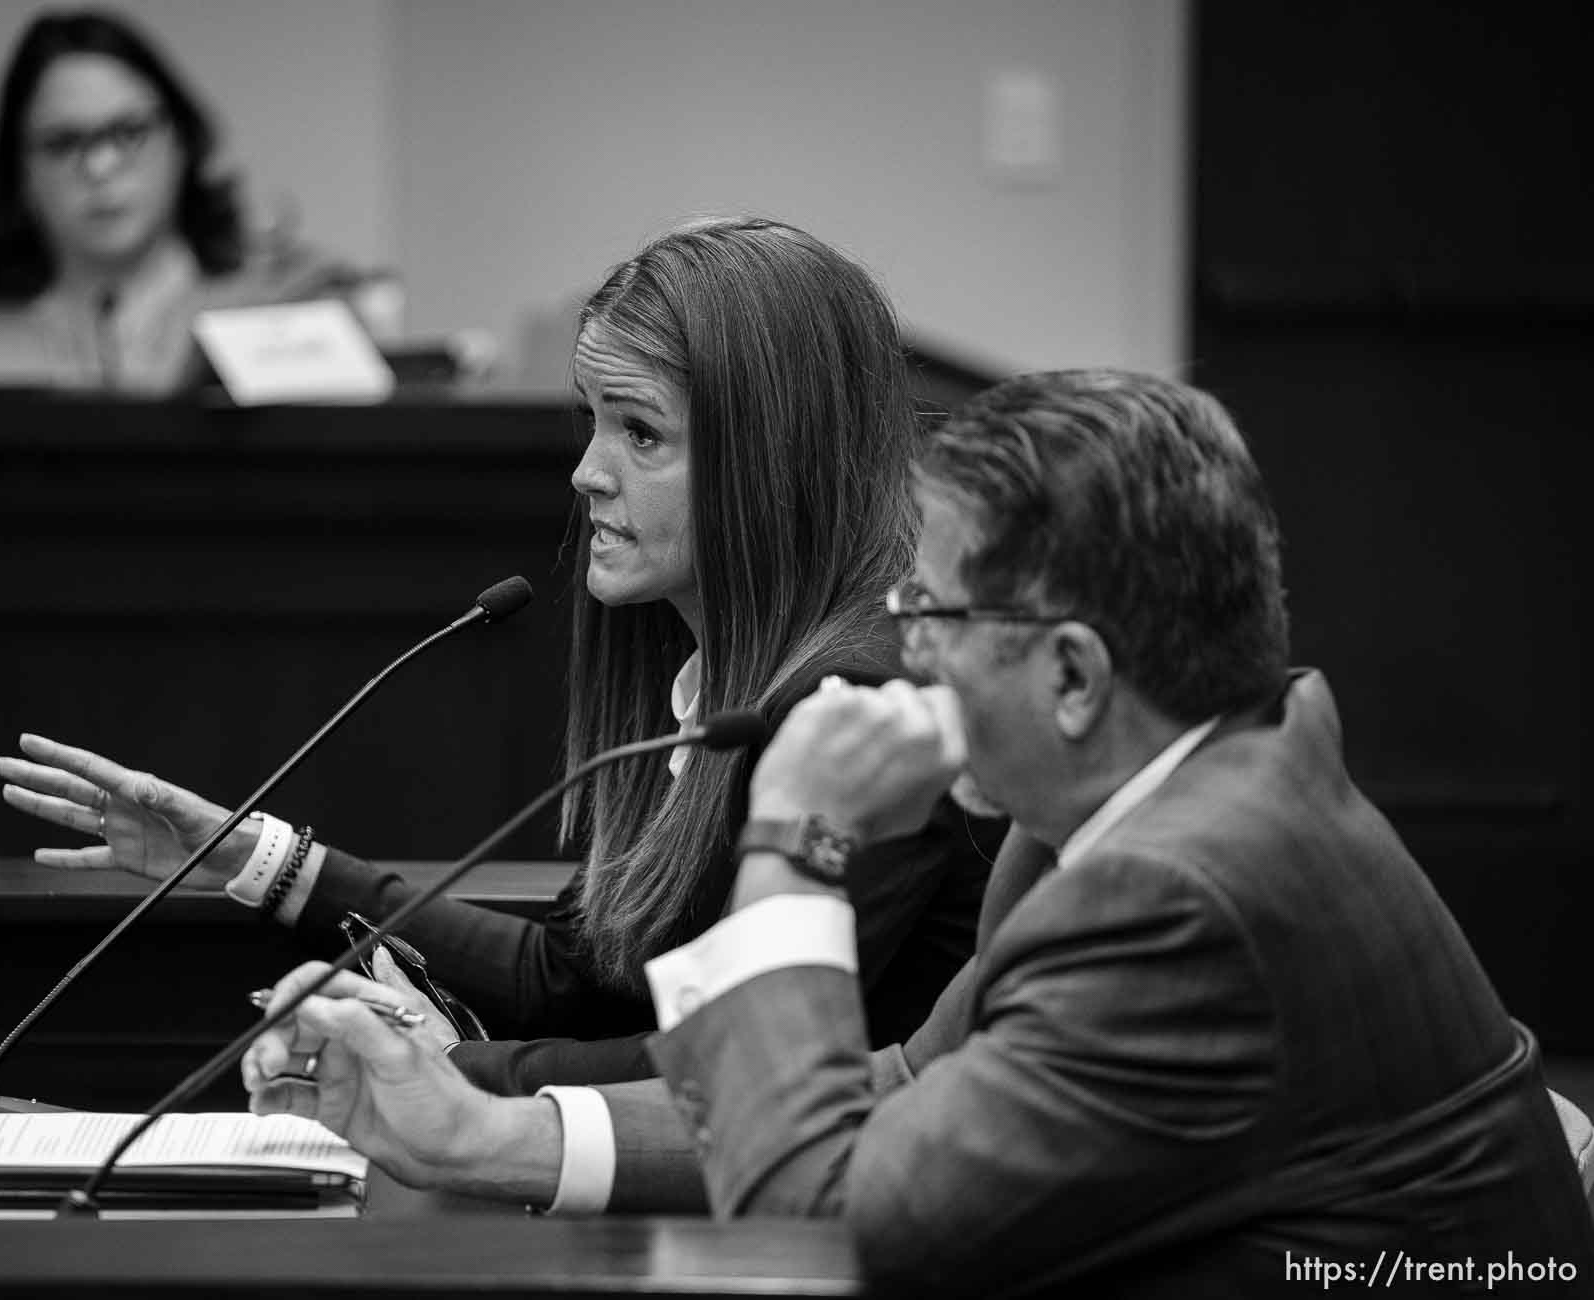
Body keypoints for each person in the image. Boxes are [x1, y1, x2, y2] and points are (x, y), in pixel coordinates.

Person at [245, 369, 1594, 1292]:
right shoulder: (1130, 810)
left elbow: (828, 1221)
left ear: (1070, 676)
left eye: (935, 615)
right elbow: (898, 1099)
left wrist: (793, 841)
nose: (907, 652)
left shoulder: (1186, 891)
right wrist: (486, 1136)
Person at [0, 216, 1003, 1094]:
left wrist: (446, 1073)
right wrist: (255, 858)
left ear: (773, 461)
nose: (586, 472)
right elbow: (573, 977)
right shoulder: (723, 679)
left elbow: (716, 1066)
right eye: (591, 419)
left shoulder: (861, 704)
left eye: (640, 432)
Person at [0, 7, 361, 392]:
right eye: (63, 143)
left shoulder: (285, 305)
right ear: (20, 171)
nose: (100, 167)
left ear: (181, 140)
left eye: (128, 133)